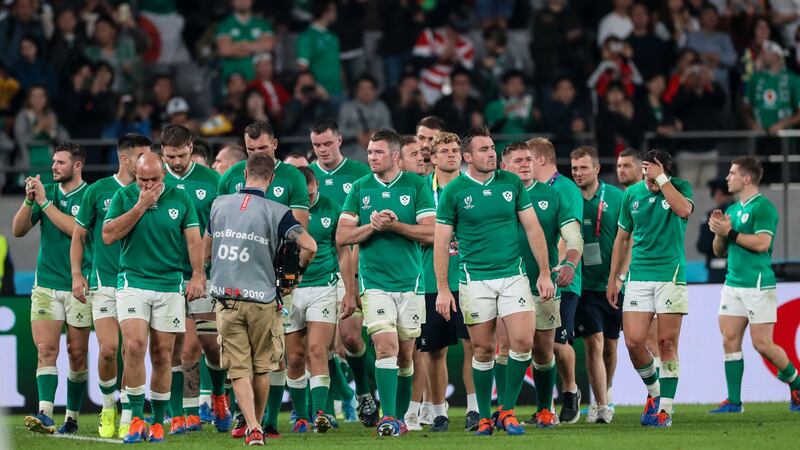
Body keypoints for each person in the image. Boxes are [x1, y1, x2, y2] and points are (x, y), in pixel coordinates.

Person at [434, 127, 554, 436]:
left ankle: (508, 411)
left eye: (492, 148)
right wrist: (444, 289)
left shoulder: (511, 183)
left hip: (513, 276)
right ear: (468, 157)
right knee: (484, 350)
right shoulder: (454, 191)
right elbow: (441, 242)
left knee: (524, 341)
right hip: (475, 281)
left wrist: (543, 271)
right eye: (484, 149)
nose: (491, 153)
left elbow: (533, 229)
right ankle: (485, 416)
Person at [207, 152, 317, 446]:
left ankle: (253, 426)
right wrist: (294, 277)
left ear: (244, 175)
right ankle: (257, 423)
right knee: (262, 367)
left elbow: (207, 250)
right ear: (271, 179)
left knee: (239, 368)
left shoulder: (219, 205)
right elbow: (310, 245)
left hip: (227, 299)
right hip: (264, 300)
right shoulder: (278, 211)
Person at [337, 128, 436, 437]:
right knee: (385, 348)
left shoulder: (417, 185)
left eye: (377, 152)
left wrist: (395, 226)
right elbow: (341, 237)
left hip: (411, 282)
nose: (371, 157)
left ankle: (401, 418)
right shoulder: (359, 188)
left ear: (395, 156)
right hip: (374, 283)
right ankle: (389, 417)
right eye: (369, 152)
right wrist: (372, 225)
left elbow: (431, 233)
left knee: (406, 356)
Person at [102, 152, 206, 443]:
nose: (147, 185)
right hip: (133, 280)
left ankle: (158, 422)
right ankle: (136, 417)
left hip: (169, 283)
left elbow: (194, 239)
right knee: (134, 345)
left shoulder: (181, 198)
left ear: (164, 175)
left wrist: (198, 274)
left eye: (154, 180)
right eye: (142, 180)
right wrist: (140, 206)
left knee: (163, 354)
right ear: (135, 174)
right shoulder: (124, 197)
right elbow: (108, 235)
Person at [70, 134, 151, 439]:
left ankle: (130, 412)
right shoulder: (98, 191)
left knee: (134, 350)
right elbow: (79, 236)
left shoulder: (151, 191)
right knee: (107, 350)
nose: (146, 160)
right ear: (125, 158)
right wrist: (77, 274)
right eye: (141, 155)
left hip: (138, 281)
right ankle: (108, 406)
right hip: (104, 281)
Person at [607, 149, 694, 428]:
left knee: (667, 343)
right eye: (647, 172)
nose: (649, 179)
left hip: (670, 275)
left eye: (653, 172)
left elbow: (683, 210)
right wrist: (614, 278)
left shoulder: (679, 188)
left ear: (665, 171)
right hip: (639, 276)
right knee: (633, 341)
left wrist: (664, 181)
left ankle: (665, 411)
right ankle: (656, 393)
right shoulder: (632, 194)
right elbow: (622, 239)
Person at [499, 142, 582, 429]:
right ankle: (503, 410)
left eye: (528, 159)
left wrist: (570, 262)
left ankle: (545, 409)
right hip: (504, 283)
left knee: (544, 349)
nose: (524, 164)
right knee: (504, 347)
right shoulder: (497, 196)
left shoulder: (552, 195)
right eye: (518, 160)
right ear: (504, 166)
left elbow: (574, 237)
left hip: (542, 284)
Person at [708, 155, 800, 413]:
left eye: (732, 173)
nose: (727, 177)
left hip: (757, 284)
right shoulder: (732, 210)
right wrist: (719, 233)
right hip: (732, 283)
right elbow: (719, 251)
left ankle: (797, 384)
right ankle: (734, 401)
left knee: (762, 344)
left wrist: (731, 233)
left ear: (746, 178)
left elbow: (762, 244)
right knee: (729, 340)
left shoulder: (763, 208)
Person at [13, 142, 92, 435]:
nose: (54, 167)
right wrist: (30, 201)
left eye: (60, 162)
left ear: (77, 166)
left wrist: (45, 204)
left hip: (79, 284)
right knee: (46, 349)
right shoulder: (47, 192)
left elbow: (77, 230)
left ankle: (71, 417)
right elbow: (18, 230)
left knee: (77, 353)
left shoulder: (91, 195)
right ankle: (45, 413)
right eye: (54, 162)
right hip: (45, 283)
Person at [160, 125, 230, 435]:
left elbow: (226, 227)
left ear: (192, 148)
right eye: (170, 156)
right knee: (177, 349)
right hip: (166, 276)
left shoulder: (213, 181)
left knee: (212, 346)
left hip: (207, 277)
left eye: (181, 155)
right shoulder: (152, 181)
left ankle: (218, 396)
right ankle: (183, 414)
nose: (175, 162)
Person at [307, 118, 376, 426]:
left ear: (339, 141)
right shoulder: (304, 179)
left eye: (327, 143)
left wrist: (354, 281)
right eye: (316, 145)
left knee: (350, 339)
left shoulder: (360, 174)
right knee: (321, 346)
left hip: (352, 267)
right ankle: (341, 400)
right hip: (316, 274)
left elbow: (364, 228)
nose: (322, 150)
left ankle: (364, 392)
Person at [410, 131, 477, 432]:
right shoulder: (420, 190)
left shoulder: (473, 188)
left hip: (470, 277)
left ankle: (475, 410)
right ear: (432, 158)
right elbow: (413, 232)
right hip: (429, 280)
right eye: (444, 151)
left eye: (455, 150)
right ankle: (438, 412)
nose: (451, 154)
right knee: (434, 350)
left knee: (474, 345)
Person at [283, 167, 358, 433]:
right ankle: (301, 415)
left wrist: (350, 291)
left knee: (318, 350)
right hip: (290, 289)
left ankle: (320, 413)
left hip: (323, 287)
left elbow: (344, 252)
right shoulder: (282, 207)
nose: (307, 197)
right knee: (294, 357)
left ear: (316, 185)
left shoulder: (332, 208)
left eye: (311, 192)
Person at [527, 137, 584, 424]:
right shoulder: (528, 190)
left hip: (563, 279)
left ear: (538, 160)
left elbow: (569, 233)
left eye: (527, 159)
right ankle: (544, 407)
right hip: (536, 279)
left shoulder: (565, 189)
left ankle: (571, 391)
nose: (524, 165)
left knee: (557, 344)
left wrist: (558, 267)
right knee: (537, 345)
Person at [570, 146, 624, 424]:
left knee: (611, 346)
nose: (578, 173)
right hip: (582, 285)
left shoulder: (617, 197)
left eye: (583, 168)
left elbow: (630, 240)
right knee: (594, 342)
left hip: (612, 284)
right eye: (574, 168)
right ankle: (598, 402)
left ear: (597, 169)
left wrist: (620, 277)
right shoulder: (568, 197)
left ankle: (607, 393)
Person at [615, 149, 661, 378]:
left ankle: (661, 401)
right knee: (616, 341)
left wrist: (621, 276)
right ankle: (607, 400)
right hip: (622, 283)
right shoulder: (623, 197)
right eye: (619, 166)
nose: (621, 170)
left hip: (643, 278)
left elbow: (633, 243)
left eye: (627, 166)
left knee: (649, 341)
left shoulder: (653, 196)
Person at [743, 40, 800, 135]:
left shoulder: (792, 79)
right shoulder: (755, 78)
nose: (762, 55)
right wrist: (752, 123)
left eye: (765, 52)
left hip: (785, 137)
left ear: (776, 55)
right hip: (759, 136)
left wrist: (783, 124)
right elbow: (746, 106)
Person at [215, 0, 275, 82]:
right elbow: (225, 50)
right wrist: (256, 47)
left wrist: (240, 45)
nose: (243, 1)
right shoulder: (224, 25)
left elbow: (268, 45)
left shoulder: (263, 24)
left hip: (257, 79)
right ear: (232, 1)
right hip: (232, 80)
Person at [296, 1, 343, 99]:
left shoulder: (333, 36)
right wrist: (315, 88)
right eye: (334, 11)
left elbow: (338, 64)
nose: (336, 14)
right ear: (325, 13)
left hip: (338, 91)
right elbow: (303, 67)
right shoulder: (307, 37)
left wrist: (343, 86)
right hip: (319, 94)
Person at [338, 75, 393, 157]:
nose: (366, 92)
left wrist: (377, 133)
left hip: (378, 151)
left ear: (375, 91)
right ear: (356, 91)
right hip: (353, 152)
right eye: (362, 89)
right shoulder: (347, 107)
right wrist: (356, 134)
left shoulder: (381, 106)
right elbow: (339, 130)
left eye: (369, 89)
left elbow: (390, 129)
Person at [697, 179, 734, 283]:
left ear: (718, 193)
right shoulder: (743, 212)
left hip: (717, 271)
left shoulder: (711, 215)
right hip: (740, 268)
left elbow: (702, 245)